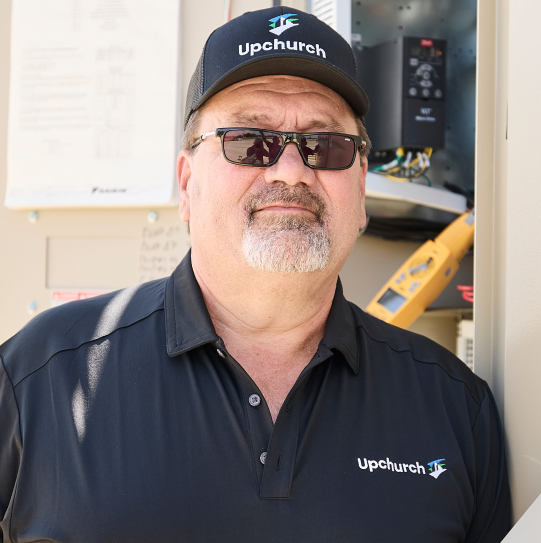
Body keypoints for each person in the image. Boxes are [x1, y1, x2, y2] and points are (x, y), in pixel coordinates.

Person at [0, 6, 511, 543]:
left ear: (360, 187)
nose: (291, 170)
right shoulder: (40, 380)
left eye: (325, 146)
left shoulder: (455, 408)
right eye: (250, 141)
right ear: (187, 182)